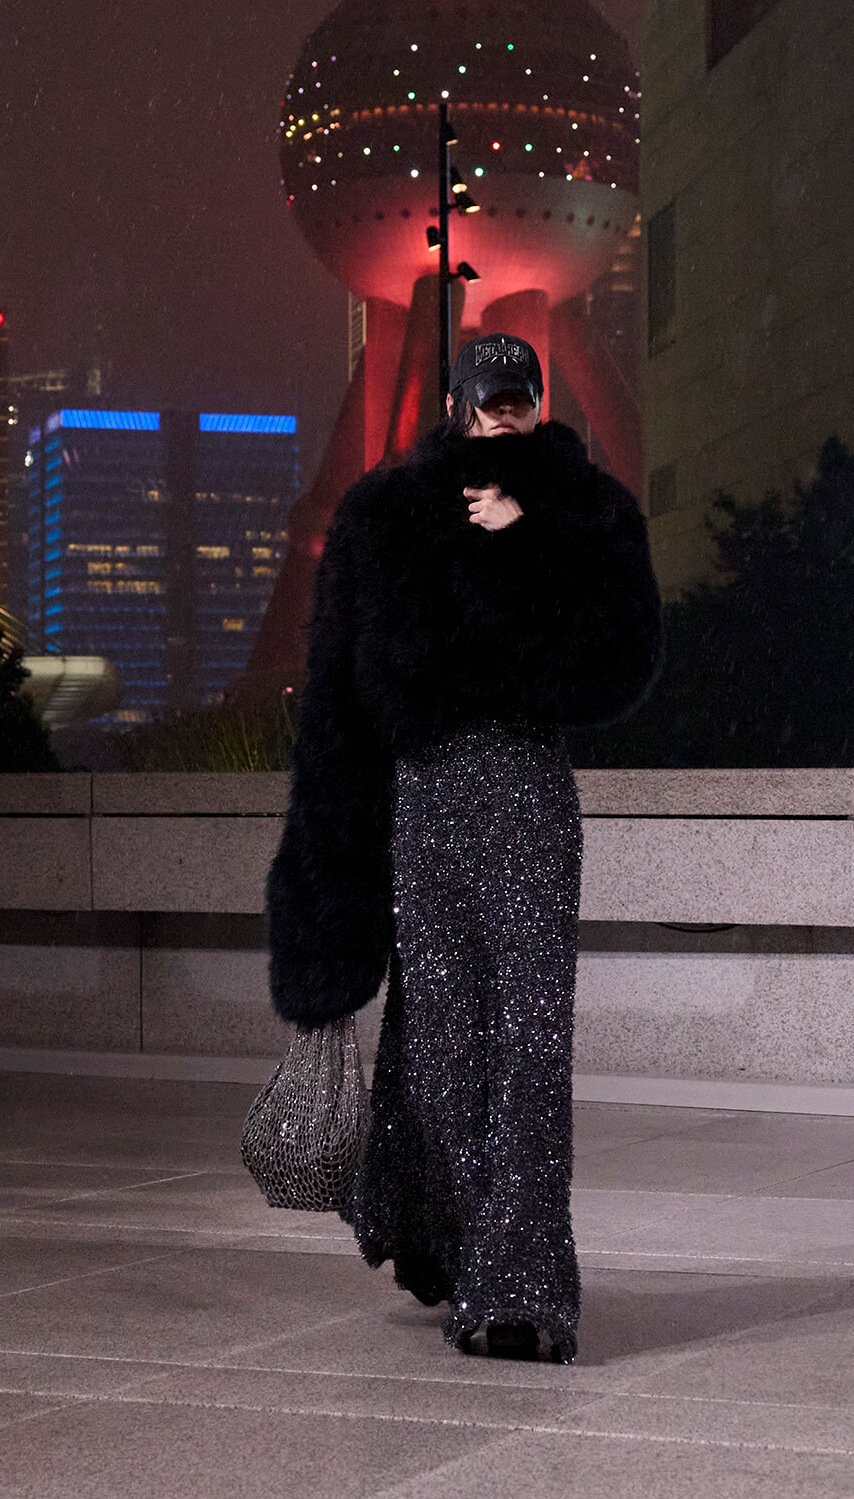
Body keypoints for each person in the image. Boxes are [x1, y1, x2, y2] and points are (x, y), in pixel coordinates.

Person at [267, 332, 662, 1363]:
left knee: (532, 1044)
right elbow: (338, 719)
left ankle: (521, 1290)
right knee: (445, 1054)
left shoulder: (589, 514)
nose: (505, 416)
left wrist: (530, 538)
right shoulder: (386, 515)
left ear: (542, 403)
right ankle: (459, 1240)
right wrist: (323, 917)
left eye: (521, 400)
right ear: (454, 402)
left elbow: (619, 666)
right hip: (423, 806)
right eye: (489, 400)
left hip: (529, 790)